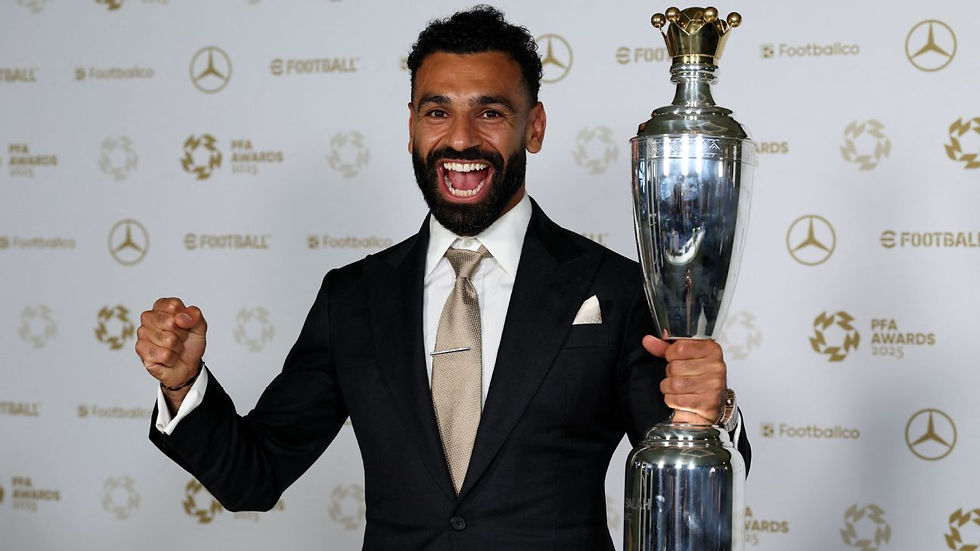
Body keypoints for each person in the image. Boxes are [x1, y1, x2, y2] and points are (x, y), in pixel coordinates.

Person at [135, 6, 750, 550]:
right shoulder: (353, 298)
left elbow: (681, 466)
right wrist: (185, 387)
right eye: (437, 111)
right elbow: (255, 476)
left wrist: (711, 410)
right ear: (410, 125)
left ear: (533, 127)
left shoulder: (616, 290)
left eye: (490, 112)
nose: (460, 138)